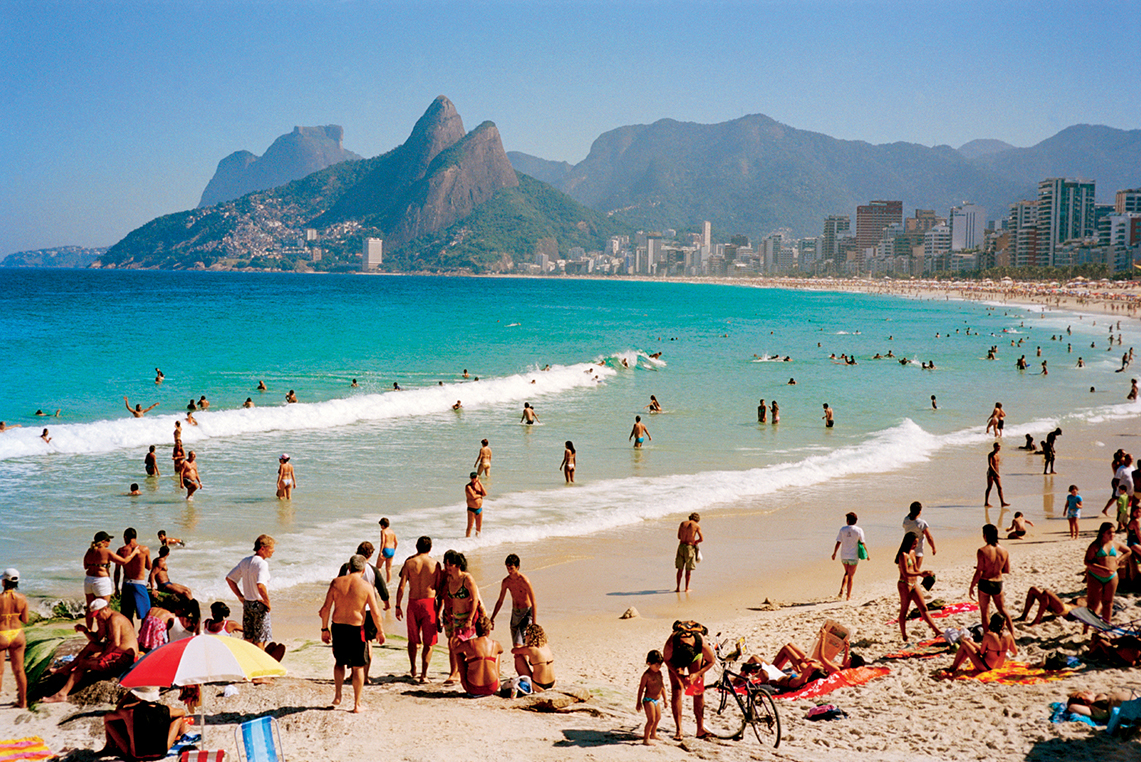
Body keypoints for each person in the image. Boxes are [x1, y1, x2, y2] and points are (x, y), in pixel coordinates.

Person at [319, 554, 384, 713]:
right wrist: (380, 631)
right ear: (363, 570)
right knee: (358, 666)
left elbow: (325, 608)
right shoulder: (366, 586)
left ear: (349, 568)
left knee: (339, 662)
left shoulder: (336, 582)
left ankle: (337, 696)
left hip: (338, 627)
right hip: (357, 628)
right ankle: (357, 704)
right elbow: (375, 613)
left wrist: (324, 629)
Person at [42, 599, 138, 703]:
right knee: (91, 646)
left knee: (83, 663)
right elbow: (96, 639)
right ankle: (67, 668)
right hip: (117, 651)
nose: (96, 617)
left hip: (124, 657)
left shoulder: (115, 619)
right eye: (95, 616)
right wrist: (85, 631)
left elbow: (116, 643)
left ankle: (62, 694)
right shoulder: (105, 619)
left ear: (105, 609)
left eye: (97, 614)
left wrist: (101, 657)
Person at [395, 536, 442, 683]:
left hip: (413, 603)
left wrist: (397, 606)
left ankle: (413, 668)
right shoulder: (435, 564)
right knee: (428, 642)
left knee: (412, 639)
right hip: (429, 604)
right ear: (430, 548)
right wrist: (440, 612)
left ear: (416, 547)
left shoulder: (409, 563)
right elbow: (439, 589)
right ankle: (424, 675)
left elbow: (401, 586)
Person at [102, 685, 188, 759]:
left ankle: (110, 747)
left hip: (135, 755)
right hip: (160, 754)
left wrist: (123, 702)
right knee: (178, 719)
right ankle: (179, 737)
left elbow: (107, 717)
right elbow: (183, 712)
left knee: (109, 723)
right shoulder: (167, 710)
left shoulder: (129, 712)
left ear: (137, 696)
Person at [662, 621, 715, 740]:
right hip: (676, 658)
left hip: (695, 657)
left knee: (697, 690)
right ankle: (679, 730)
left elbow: (711, 661)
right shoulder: (672, 643)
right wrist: (680, 676)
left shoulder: (700, 643)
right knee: (676, 689)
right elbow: (666, 660)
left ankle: (700, 728)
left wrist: (696, 674)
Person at [225, 535, 276, 651]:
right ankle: (261, 666)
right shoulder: (262, 564)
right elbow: (260, 585)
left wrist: (241, 597)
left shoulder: (245, 561)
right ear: (262, 548)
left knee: (249, 639)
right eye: (271, 548)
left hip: (247, 603)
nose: (273, 550)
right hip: (258, 604)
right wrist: (267, 602)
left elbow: (230, 579)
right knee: (260, 641)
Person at [442, 550, 485, 686]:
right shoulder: (449, 578)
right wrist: (447, 613)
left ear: (458, 565)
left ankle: (459, 672)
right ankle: (454, 672)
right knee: (452, 644)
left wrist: (470, 619)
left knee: (457, 644)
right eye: (446, 564)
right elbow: (447, 598)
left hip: (468, 616)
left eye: (450, 564)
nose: (447, 567)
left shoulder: (467, 579)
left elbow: (475, 599)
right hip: (454, 617)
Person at [83, 531, 139, 630]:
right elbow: (124, 561)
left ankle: (89, 630)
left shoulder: (89, 551)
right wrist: (134, 553)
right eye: (108, 540)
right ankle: (105, 632)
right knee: (104, 608)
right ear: (104, 541)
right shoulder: (106, 552)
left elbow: (85, 566)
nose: (109, 542)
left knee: (90, 608)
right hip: (101, 581)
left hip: (89, 580)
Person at [969, 524, 1014, 635]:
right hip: (998, 582)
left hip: (985, 582)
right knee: (1002, 610)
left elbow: (979, 571)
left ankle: (988, 636)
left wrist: (972, 586)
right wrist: (996, 568)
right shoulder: (1004, 550)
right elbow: (1006, 569)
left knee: (985, 613)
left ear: (985, 536)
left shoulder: (982, 551)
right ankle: (1013, 633)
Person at [895, 533, 941, 642]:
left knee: (923, 608)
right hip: (904, 584)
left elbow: (915, 569)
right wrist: (920, 574)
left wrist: (923, 573)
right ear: (908, 542)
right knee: (904, 611)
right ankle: (904, 635)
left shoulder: (912, 553)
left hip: (914, 583)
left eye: (916, 543)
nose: (915, 545)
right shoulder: (903, 555)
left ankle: (937, 631)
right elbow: (905, 573)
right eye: (914, 543)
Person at [1085, 522, 1131, 624]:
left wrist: (1119, 560)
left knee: (1108, 603)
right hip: (1095, 575)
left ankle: (1106, 625)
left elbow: (1128, 551)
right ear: (1102, 533)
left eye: (1114, 532)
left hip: (1112, 576)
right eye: (1109, 532)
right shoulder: (1095, 545)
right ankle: (1086, 627)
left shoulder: (1115, 544)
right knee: (1093, 604)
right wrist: (1101, 568)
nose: (1112, 535)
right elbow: (1087, 562)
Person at [490, 554, 538, 647]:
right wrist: (492, 617)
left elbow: (533, 602)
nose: (509, 571)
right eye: (508, 568)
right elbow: (500, 601)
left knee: (518, 644)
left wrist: (534, 624)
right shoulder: (506, 582)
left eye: (511, 568)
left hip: (526, 613)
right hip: (515, 614)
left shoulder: (524, 581)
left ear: (517, 567)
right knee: (517, 646)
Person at [947, 613, 1017, 675]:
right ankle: (955, 667)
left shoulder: (989, 635)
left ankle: (953, 668)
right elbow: (1015, 652)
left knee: (964, 644)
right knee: (967, 645)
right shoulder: (1008, 635)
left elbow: (981, 652)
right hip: (998, 666)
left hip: (985, 666)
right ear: (1003, 624)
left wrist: (971, 643)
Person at [0, 569, 28, 708]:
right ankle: (23, 702)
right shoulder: (22, 598)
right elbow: (26, 619)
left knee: (0, 671)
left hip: (1, 633)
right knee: (19, 670)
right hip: (17, 634)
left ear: (4, 581)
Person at [456, 614, 502, 697]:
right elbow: (501, 650)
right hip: (492, 687)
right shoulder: (495, 644)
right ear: (488, 631)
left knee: (459, 654)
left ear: (476, 631)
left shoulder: (469, 643)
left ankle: (463, 678)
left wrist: (468, 655)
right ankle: (497, 677)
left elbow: (455, 650)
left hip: (473, 688)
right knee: (497, 653)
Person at [114, 528, 152, 626]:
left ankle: (130, 634)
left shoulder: (121, 550)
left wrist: (116, 588)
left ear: (125, 537)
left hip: (126, 583)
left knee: (127, 615)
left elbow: (117, 571)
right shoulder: (144, 549)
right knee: (146, 613)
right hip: (139, 583)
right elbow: (149, 567)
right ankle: (142, 634)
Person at [832, 512, 866, 600]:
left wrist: (834, 553)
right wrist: (867, 554)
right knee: (851, 576)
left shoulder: (843, 529)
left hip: (844, 556)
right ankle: (848, 596)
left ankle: (842, 590)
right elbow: (862, 543)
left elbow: (838, 542)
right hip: (854, 556)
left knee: (846, 573)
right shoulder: (859, 530)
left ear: (847, 521)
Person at [511, 623, 555, 692]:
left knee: (518, 656)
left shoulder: (530, 649)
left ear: (531, 636)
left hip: (538, 685)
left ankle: (526, 680)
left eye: (526, 634)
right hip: (553, 683)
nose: (525, 636)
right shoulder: (546, 645)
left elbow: (513, 651)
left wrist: (521, 646)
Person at [636, 650, 667, 745]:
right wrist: (638, 702)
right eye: (656, 666)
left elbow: (662, 686)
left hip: (657, 700)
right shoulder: (646, 675)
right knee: (651, 720)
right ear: (649, 663)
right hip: (648, 700)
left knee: (658, 718)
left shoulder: (659, 673)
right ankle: (646, 739)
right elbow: (641, 689)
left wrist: (665, 699)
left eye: (660, 666)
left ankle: (653, 734)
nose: (659, 668)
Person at [1015, 587, 1086, 625]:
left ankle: (1037, 620)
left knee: (1047, 592)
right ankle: (1024, 616)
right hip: (1062, 607)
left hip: (1066, 610)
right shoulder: (1085, 599)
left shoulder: (1087, 602)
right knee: (1033, 589)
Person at [902, 501, 937, 570]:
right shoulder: (921, 523)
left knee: (907, 570)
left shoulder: (906, 520)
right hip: (918, 550)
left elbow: (909, 516)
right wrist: (933, 548)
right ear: (920, 511)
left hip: (907, 549)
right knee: (916, 570)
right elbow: (929, 537)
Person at [675, 513, 703, 593]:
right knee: (688, 569)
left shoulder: (683, 523)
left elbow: (679, 537)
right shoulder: (696, 525)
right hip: (689, 547)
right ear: (697, 520)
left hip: (681, 547)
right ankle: (686, 588)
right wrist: (695, 542)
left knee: (680, 569)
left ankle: (678, 588)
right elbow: (701, 538)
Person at [984, 442, 1010, 508]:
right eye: (998, 446)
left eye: (1000, 446)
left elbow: (998, 464)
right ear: (994, 447)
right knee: (989, 487)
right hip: (991, 473)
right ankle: (986, 502)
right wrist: (995, 472)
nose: (999, 448)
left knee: (1000, 487)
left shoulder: (998, 454)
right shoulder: (991, 454)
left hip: (997, 472)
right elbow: (990, 464)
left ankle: (1002, 502)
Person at [465, 472, 488, 538]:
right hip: (471, 509)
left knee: (479, 527)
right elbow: (473, 496)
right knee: (470, 526)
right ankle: (467, 540)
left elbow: (485, 493)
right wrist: (480, 495)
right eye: (472, 477)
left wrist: (480, 483)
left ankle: (478, 539)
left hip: (479, 509)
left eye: (475, 477)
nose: (474, 479)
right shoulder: (468, 486)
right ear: (470, 478)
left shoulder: (479, 485)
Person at [377, 518, 397, 582]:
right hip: (392, 550)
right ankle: (388, 583)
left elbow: (383, 541)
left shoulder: (383, 531)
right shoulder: (392, 531)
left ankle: (379, 582)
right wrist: (394, 550)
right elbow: (396, 542)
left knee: (378, 567)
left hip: (385, 550)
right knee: (388, 569)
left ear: (383, 525)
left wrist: (380, 552)